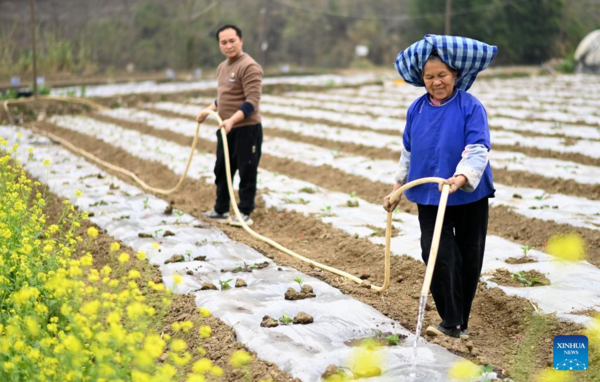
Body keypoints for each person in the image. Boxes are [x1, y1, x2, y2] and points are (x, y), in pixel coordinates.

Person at [383, 35, 498, 339]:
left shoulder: (470, 106)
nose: (436, 82)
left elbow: (478, 148)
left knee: (469, 255)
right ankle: (451, 319)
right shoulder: (417, 109)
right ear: (422, 79)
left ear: (455, 75)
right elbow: (408, 151)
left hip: (468, 194)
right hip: (431, 195)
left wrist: (460, 179)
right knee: (436, 253)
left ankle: (458, 322)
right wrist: (397, 187)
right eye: (429, 76)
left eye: (442, 75)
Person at [197, 24, 263, 227]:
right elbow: (224, 99)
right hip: (226, 128)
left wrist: (232, 120)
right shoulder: (222, 67)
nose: (228, 45)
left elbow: (252, 101)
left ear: (241, 41)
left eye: (232, 41)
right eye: (223, 42)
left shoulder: (249, 66)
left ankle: (244, 212)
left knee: (246, 170)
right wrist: (207, 111)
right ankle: (221, 208)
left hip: (246, 129)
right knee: (222, 169)